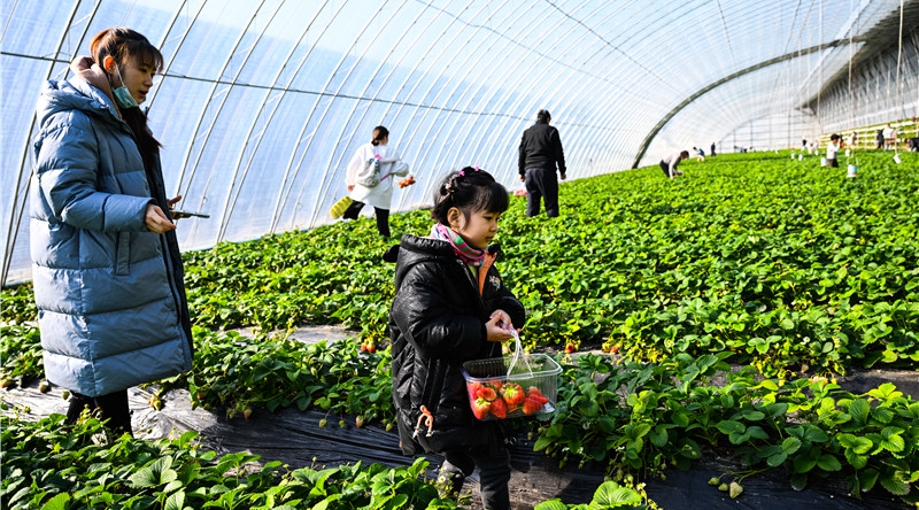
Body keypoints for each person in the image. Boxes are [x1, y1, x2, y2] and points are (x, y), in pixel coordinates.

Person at [29, 27, 194, 437]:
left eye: (154, 72)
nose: (150, 81)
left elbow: (108, 182)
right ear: (110, 65)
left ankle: (77, 441)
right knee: (104, 364)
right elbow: (67, 196)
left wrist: (152, 201)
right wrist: (137, 210)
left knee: (101, 362)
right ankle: (120, 467)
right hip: (87, 266)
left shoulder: (113, 114)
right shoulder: (73, 119)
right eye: (143, 70)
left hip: (104, 262)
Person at [388, 167, 526, 510]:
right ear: (455, 217)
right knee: (494, 462)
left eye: (498, 218)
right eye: (489, 217)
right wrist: (480, 331)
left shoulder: (477, 258)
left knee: (462, 456)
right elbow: (424, 331)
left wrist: (507, 312)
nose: (495, 226)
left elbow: (501, 295)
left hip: (475, 380)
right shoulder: (426, 268)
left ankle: (442, 501)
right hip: (441, 391)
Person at [342, 125, 409, 238]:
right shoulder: (391, 152)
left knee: (355, 205)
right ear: (386, 138)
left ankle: (346, 229)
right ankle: (384, 237)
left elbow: (352, 166)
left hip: (365, 187)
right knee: (382, 216)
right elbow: (401, 171)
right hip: (382, 189)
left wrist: (350, 182)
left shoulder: (364, 149)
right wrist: (406, 168)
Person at [518, 109, 567, 217]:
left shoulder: (527, 132)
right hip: (546, 170)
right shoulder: (551, 131)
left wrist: (521, 172)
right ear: (548, 119)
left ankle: (529, 226)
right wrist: (562, 171)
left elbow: (522, 152)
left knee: (532, 205)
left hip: (530, 171)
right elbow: (558, 153)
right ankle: (553, 226)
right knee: (551, 203)